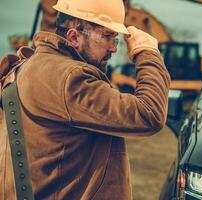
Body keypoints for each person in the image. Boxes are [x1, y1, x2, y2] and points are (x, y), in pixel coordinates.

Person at [0, 0, 170, 199]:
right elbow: (149, 114)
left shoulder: (30, 66)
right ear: (74, 37)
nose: (113, 48)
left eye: (115, 38)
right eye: (107, 36)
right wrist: (147, 53)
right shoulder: (71, 79)